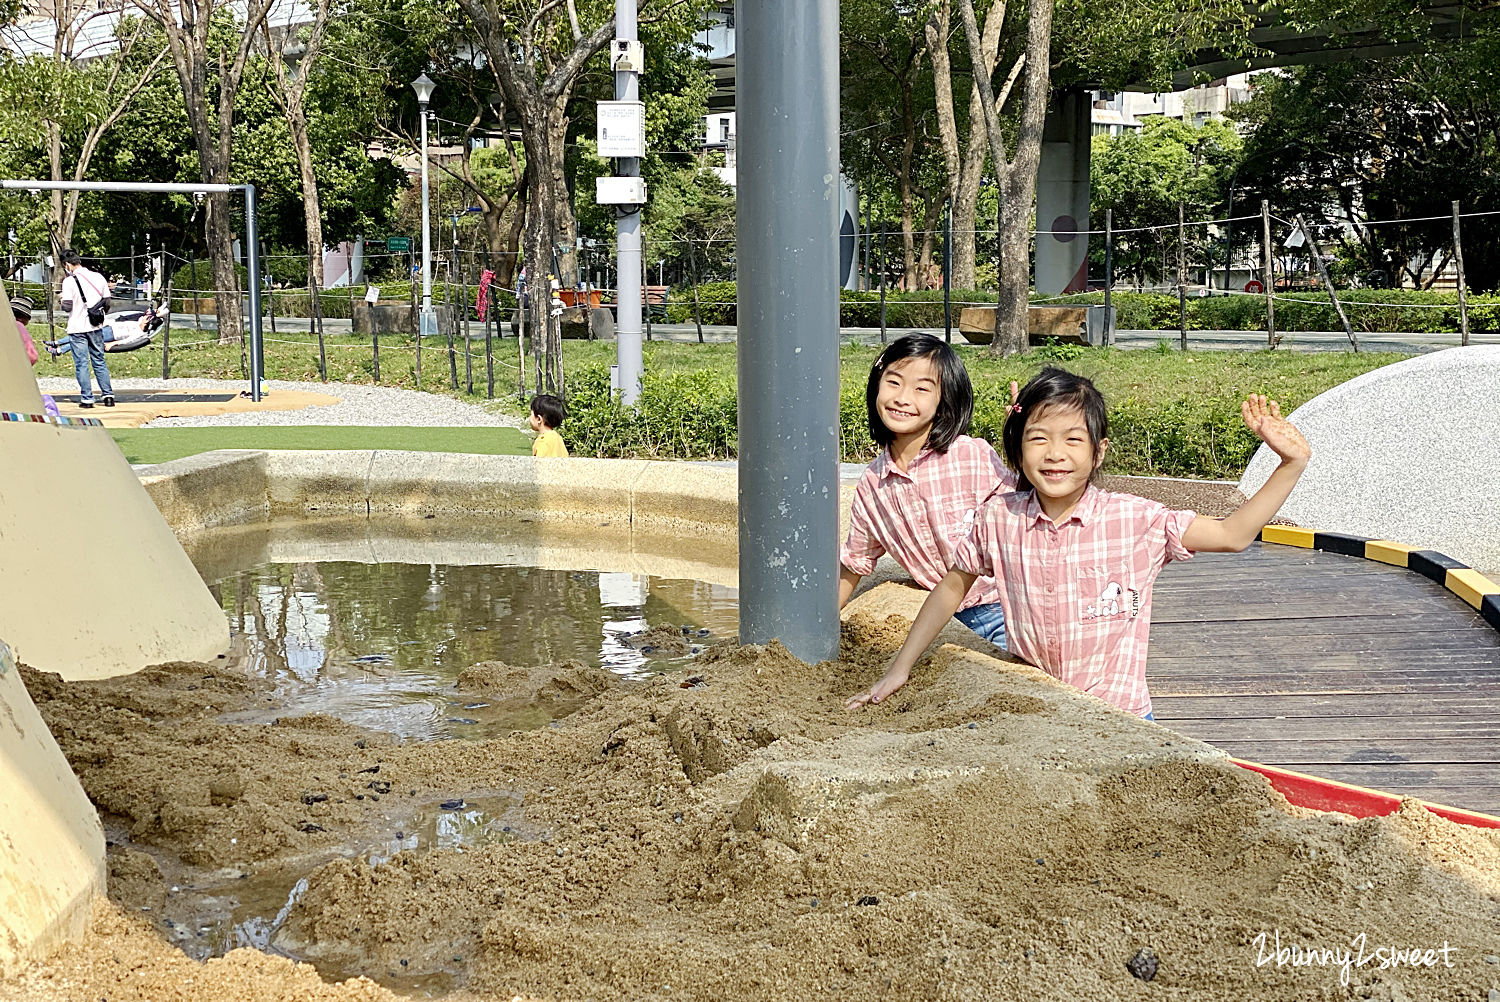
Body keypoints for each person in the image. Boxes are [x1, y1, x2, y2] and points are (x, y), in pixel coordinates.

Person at [846, 366, 1312, 720]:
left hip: (1122, 715)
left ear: (1098, 450)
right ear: (1017, 449)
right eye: (1038, 439)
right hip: (1037, 708)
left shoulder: (1133, 519)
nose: (1055, 454)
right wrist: (900, 666)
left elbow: (1232, 535)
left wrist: (1290, 464)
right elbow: (950, 587)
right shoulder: (999, 519)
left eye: (1073, 439)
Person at [840, 333, 1017, 651]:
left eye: (921, 389)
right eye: (893, 383)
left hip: (1006, 609)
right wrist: (810, 626)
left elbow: (1023, 510)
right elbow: (855, 561)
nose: (902, 398)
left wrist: (1020, 441)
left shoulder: (970, 456)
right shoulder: (873, 485)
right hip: (945, 623)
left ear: (945, 400)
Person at [57, 248, 114, 408]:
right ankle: (108, 396)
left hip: (77, 328)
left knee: (82, 363)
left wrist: (62, 299)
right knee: (99, 361)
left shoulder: (69, 282)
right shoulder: (98, 277)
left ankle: (87, 399)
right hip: (96, 326)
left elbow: (67, 307)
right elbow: (107, 302)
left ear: (67, 264)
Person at [10, 295, 59, 417]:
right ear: (25, 317)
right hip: (17, 373)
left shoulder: (6, 325)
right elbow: (32, 355)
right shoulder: (19, 326)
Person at [529, 393, 568, 457]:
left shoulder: (544, 442)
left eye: (530, 414)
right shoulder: (557, 437)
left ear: (539, 419)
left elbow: (540, 464)